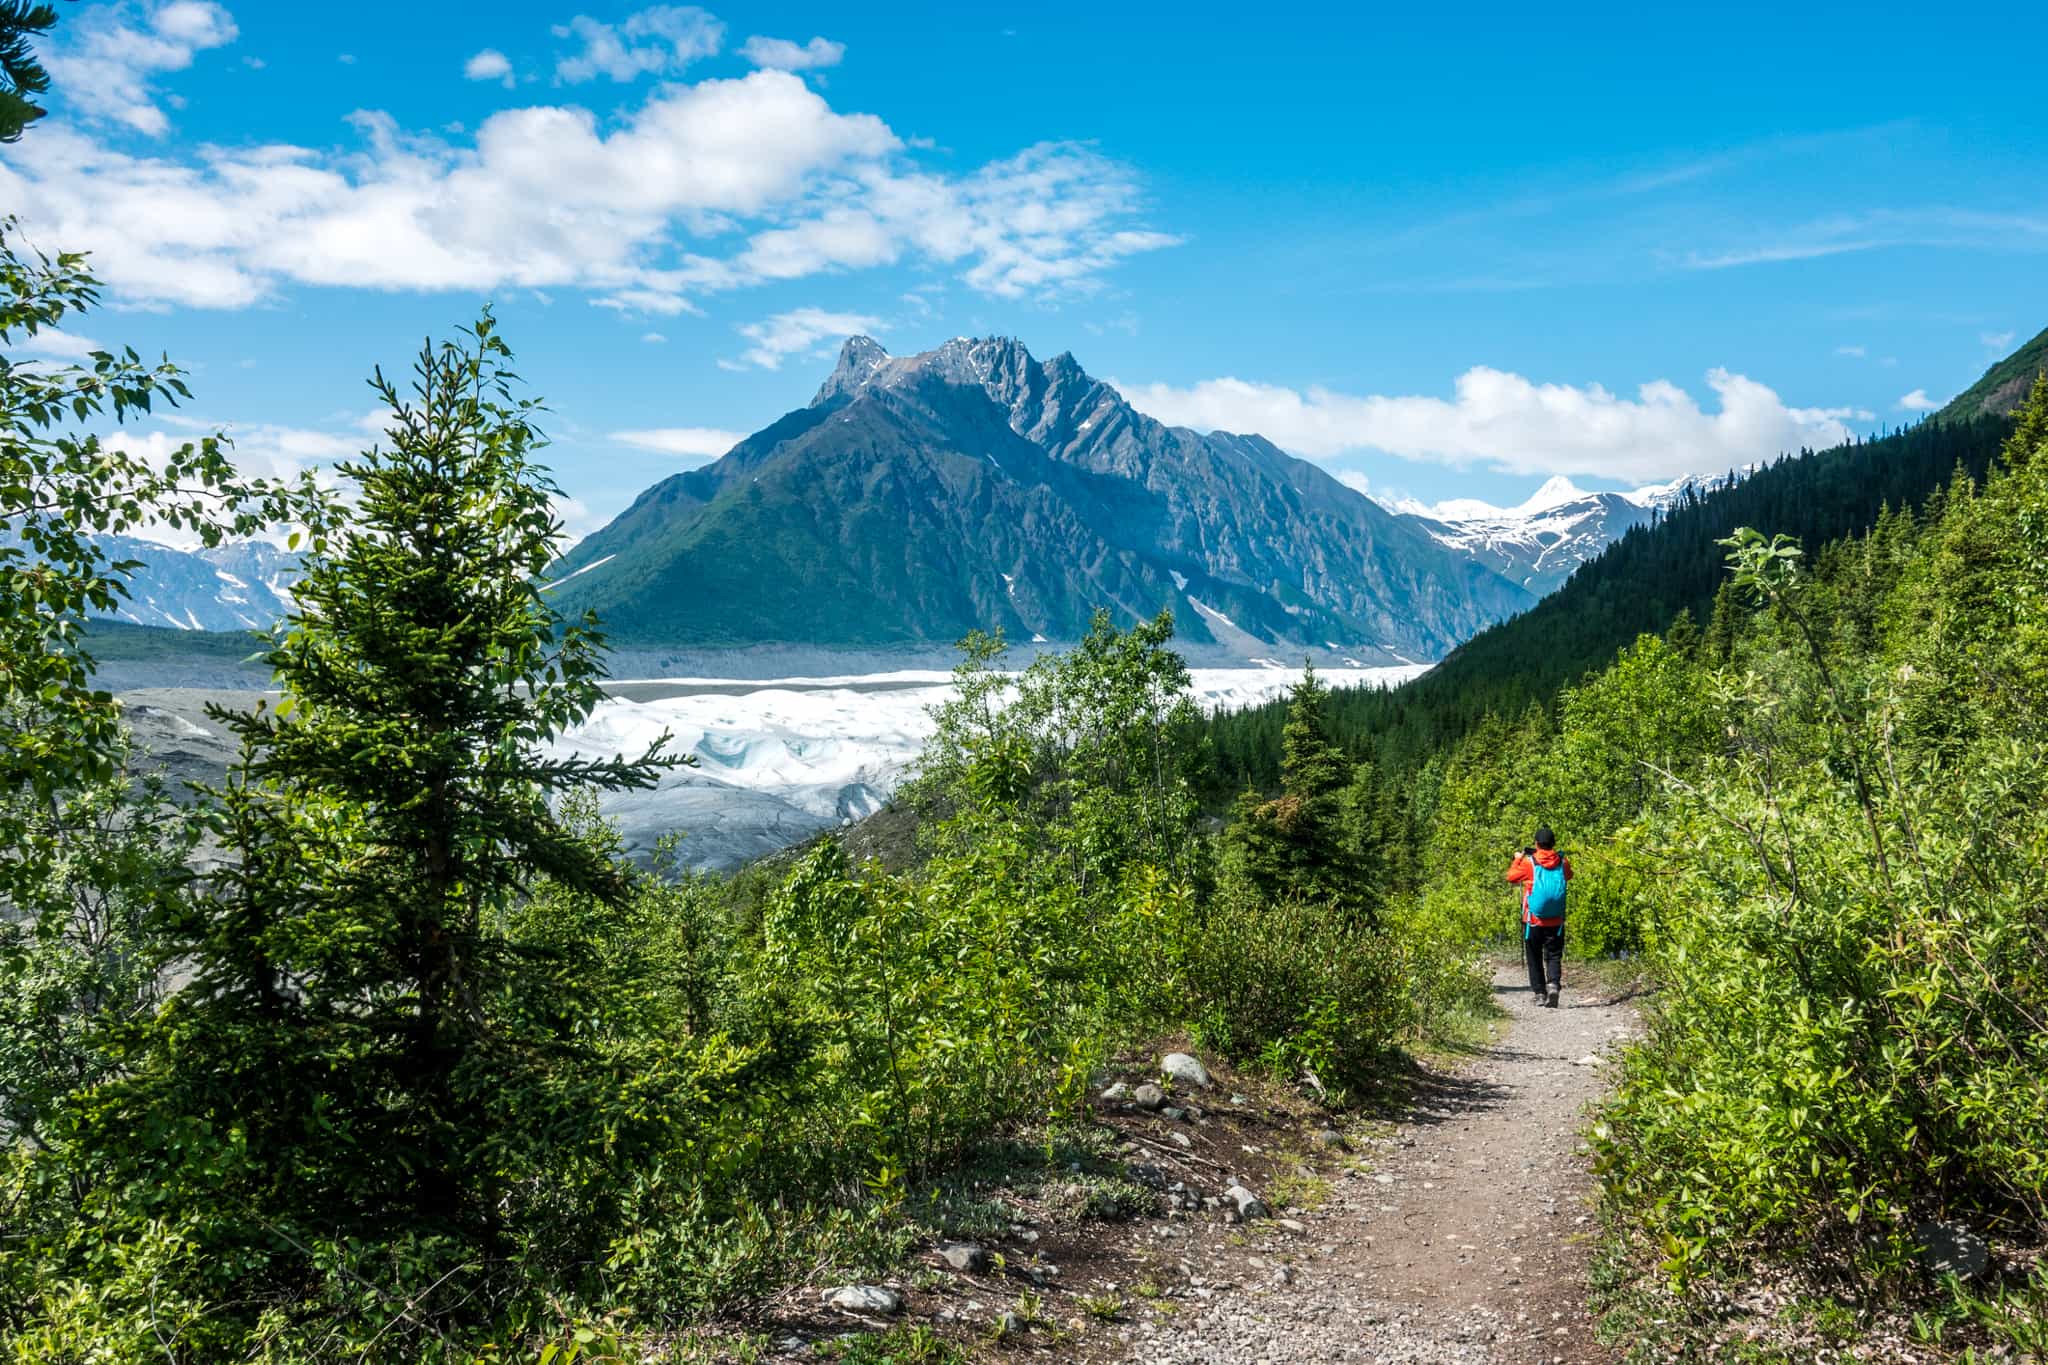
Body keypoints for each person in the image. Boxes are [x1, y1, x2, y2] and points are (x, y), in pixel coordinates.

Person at [1506, 826, 1571, 1008]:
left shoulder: (1529, 863)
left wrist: (1517, 859)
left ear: (1536, 843)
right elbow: (1569, 876)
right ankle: (1553, 985)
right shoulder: (1563, 862)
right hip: (1556, 920)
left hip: (1533, 920)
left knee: (1534, 956)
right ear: (1553, 843)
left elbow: (1511, 877)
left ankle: (1540, 994)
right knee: (1554, 955)